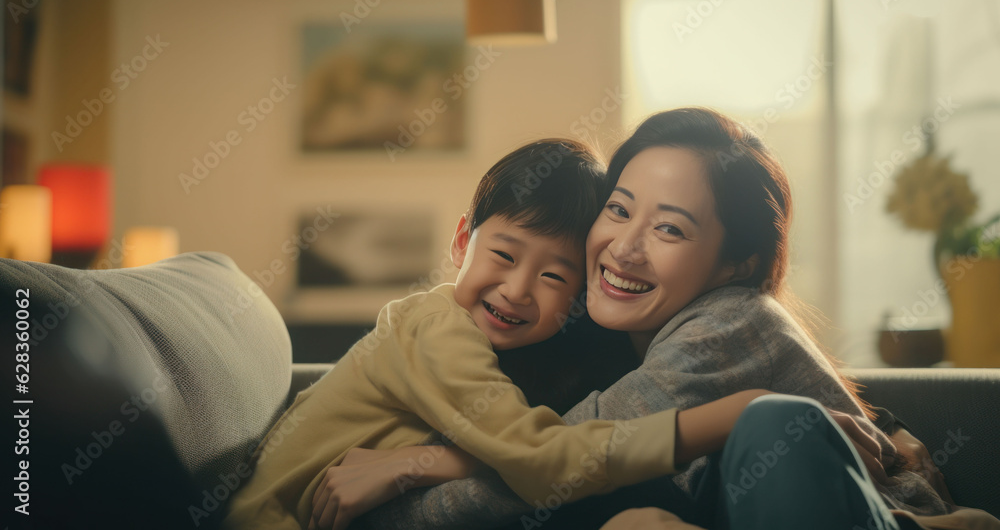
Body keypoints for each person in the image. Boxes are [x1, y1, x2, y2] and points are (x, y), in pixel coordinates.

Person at [339, 108, 999, 530]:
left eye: (672, 229)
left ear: (733, 263)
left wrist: (407, 476)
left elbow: (566, 460)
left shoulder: (731, 323)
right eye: (620, 210)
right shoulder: (598, 329)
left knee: (761, 423)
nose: (625, 247)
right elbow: (564, 446)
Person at [221, 138, 800, 530]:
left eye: (553, 275)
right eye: (502, 253)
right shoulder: (437, 330)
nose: (519, 290)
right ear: (459, 243)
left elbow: (529, 445)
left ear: (579, 295)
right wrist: (746, 411)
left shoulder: (531, 360)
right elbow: (547, 459)